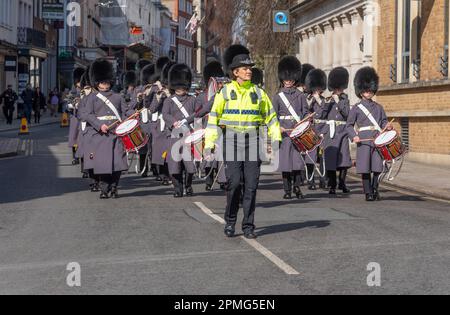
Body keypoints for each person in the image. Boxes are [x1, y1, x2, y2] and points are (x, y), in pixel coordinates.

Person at [204, 44, 282, 239]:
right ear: (235, 72)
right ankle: (230, 221)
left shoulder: (259, 93)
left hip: (253, 140)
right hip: (231, 140)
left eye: (250, 68)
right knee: (234, 183)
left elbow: (271, 118)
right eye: (245, 68)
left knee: (251, 185)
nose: (249, 71)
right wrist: (209, 143)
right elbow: (213, 119)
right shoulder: (224, 93)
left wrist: (276, 139)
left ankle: (248, 226)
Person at [79, 58, 133, 199]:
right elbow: (87, 114)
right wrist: (99, 125)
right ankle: (104, 189)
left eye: (107, 81)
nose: (105, 84)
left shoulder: (117, 97)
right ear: (97, 83)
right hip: (100, 135)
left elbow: (125, 111)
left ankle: (114, 187)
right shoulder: (92, 97)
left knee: (118, 163)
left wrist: (134, 116)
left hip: (115, 134)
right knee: (102, 164)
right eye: (102, 82)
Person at [346, 67, 393, 202]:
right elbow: (349, 125)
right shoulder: (356, 108)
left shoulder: (378, 107)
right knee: (365, 168)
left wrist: (387, 126)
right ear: (361, 92)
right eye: (366, 90)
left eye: (371, 90)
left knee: (378, 167)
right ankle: (368, 192)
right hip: (364, 140)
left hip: (378, 139)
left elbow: (383, 121)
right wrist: (354, 136)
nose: (369, 92)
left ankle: (374, 188)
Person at [272, 56, 307, 200]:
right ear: (282, 79)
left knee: (297, 162)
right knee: (286, 163)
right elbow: (273, 116)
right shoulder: (278, 96)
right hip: (284, 133)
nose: (288, 81)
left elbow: (304, 112)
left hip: (297, 132)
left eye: (290, 79)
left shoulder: (300, 96)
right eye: (286, 79)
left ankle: (297, 187)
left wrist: (304, 123)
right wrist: (277, 128)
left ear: (294, 79)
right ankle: (287, 189)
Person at [162, 63, 199, 198]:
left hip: (189, 135)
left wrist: (190, 122)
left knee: (189, 166)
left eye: (183, 86)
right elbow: (165, 114)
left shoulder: (192, 99)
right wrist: (173, 122)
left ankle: (188, 186)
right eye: (178, 86)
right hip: (174, 135)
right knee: (175, 165)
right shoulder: (169, 101)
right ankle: (177, 188)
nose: (180, 88)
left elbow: (198, 113)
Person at [195, 60, 227, 191]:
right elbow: (198, 112)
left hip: (221, 125)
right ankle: (209, 180)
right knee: (209, 154)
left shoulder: (224, 94)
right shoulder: (202, 96)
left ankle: (222, 179)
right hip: (207, 125)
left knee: (221, 154)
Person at [322, 67, 352, 195]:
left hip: (342, 131)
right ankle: (332, 185)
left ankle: (342, 183)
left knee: (344, 159)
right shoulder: (328, 100)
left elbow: (347, 114)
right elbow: (322, 115)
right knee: (330, 159)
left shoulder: (345, 100)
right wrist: (323, 102)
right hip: (331, 131)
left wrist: (338, 101)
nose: (337, 90)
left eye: (339, 88)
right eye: (335, 88)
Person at [148, 61, 175, 186]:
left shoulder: (176, 90)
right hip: (160, 124)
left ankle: (173, 174)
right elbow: (152, 109)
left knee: (172, 151)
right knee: (160, 152)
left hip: (173, 123)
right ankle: (163, 175)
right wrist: (158, 98)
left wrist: (169, 95)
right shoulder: (156, 89)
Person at [305, 69, 328, 191]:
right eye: (315, 89)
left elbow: (325, 111)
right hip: (312, 130)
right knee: (311, 157)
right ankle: (310, 180)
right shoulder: (308, 99)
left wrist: (318, 99)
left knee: (323, 156)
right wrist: (310, 101)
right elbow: (304, 111)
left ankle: (323, 180)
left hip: (322, 129)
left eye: (318, 89)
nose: (316, 91)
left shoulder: (325, 100)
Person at [68, 67, 85, 164]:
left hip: (84, 118)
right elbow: (69, 103)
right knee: (74, 138)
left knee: (82, 139)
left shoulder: (86, 89)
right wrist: (73, 104)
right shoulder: (73, 90)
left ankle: (83, 157)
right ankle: (75, 157)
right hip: (75, 117)